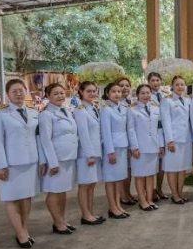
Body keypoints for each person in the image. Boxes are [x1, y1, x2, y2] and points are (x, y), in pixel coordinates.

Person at [0, 79, 40, 248]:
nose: (19, 94)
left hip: (30, 161)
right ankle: (20, 234)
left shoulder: (33, 112)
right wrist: (1, 165)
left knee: (26, 197)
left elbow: (37, 138)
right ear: (7, 94)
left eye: (21, 90)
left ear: (26, 91)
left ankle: (24, 229)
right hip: (11, 163)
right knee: (11, 198)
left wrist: (41, 160)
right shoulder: (0, 113)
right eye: (14, 91)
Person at [38, 82, 79, 235]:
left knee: (62, 191)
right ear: (47, 96)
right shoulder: (46, 115)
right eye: (55, 93)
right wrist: (52, 162)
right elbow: (45, 140)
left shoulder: (66, 110)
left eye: (62, 93)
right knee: (54, 191)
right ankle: (57, 222)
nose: (60, 96)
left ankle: (61, 220)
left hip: (69, 157)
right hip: (56, 159)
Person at [127, 83, 164, 211]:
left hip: (153, 147)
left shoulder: (155, 108)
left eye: (148, 93)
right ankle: (142, 201)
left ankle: (149, 199)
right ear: (137, 95)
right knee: (140, 175)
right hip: (140, 148)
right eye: (142, 93)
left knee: (150, 175)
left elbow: (159, 128)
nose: (145, 95)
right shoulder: (132, 110)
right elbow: (130, 130)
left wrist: (161, 145)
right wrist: (134, 147)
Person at [73, 81, 105, 226]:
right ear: (81, 92)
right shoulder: (80, 110)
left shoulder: (93, 107)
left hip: (96, 152)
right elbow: (83, 134)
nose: (92, 94)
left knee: (92, 185)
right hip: (87, 154)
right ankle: (85, 215)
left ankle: (90, 213)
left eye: (94, 91)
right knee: (85, 185)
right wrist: (89, 154)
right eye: (89, 91)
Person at [160, 75, 192, 205]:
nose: (180, 87)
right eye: (177, 84)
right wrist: (169, 140)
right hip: (174, 140)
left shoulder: (188, 100)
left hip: (186, 138)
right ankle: (174, 194)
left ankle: (180, 192)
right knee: (172, 168)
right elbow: (166, 122)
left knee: (182, 168)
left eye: (182, 84)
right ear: (172, 86)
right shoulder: (167, 101)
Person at [100, 83, 130, 219]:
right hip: (112, 148)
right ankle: (112, 207)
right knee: (111, 179)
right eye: (113, 91)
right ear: (107, 94)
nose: (117, 94)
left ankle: (118, 205)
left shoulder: (123, 107)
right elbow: (105, 132)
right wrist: (110, 151)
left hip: (122, 146)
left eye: (119, 91)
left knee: (118, 179)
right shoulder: (105, 109)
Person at [114, 76, 137, 205]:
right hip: (121, 142)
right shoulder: (114, 104)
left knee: (128, 170)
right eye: (121, 85)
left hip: (131, 141)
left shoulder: (131, 102)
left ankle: (127, 193)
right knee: (121, 171)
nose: (124, 88)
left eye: (127, 85)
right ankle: (122, 196)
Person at [147, 72, 167, 200]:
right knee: (152, 163)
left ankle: (159, 188)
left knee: (162, 163)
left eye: (157, 80)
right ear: (148, 82)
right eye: (153, 80)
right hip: (152, 132)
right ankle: (151, 190)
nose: (155, 83)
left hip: (163, 131)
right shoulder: (146, 96)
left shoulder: (165, 96)